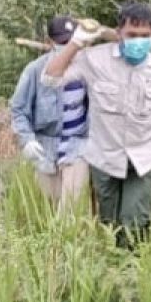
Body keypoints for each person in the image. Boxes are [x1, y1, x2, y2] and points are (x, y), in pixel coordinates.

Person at [43, 2, 151, 246]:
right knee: (108, 227)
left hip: (144, 158)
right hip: (105, 157)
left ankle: (135, 275)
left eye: (145, 36)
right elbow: (51, 79)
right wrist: (76, 43)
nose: (138, 41)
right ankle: (112, 274)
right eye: (131, 35)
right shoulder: (94, 60)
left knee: (135, 224)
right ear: (118, 33)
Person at [10, 16, 90, 210]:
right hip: (46, 149)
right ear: (50, 42)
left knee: (69, 210)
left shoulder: (88, 68)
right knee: (48, 207)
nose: (67, 46)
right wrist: (27, 139)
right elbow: (18, 109)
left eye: (71, 41)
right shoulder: (35, 70)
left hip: (78, 146)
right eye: (62, 42)